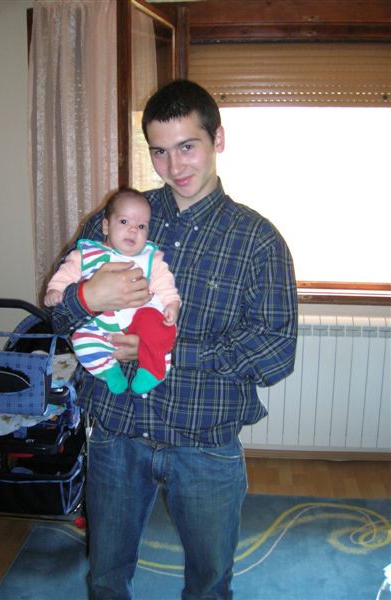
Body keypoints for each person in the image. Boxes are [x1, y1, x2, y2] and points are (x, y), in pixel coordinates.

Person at [50, 79, 298, 600]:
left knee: (209, 585)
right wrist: (88, 298)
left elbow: (275, 354)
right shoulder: (120, 218)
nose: (174, 165)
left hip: (205, 442)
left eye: (188, 146)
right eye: (159, 151)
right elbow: (55, 316)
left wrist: (161, 348)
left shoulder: (259, 241)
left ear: (218, 139)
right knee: (105, 577)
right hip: (117, 432)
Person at [44, 188, 181, 395]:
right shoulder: (86, 254)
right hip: (99, 323)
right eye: (124, 222)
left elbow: (164, 282)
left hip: (139, 315)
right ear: (106, 226)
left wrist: (172, 303)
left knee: (159, 327)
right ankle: (107, 370)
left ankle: (154, 369)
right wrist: (55, 289)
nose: (133, 230)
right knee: (82, 340)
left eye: (141, 226)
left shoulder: (150, 257)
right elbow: (67, 273)